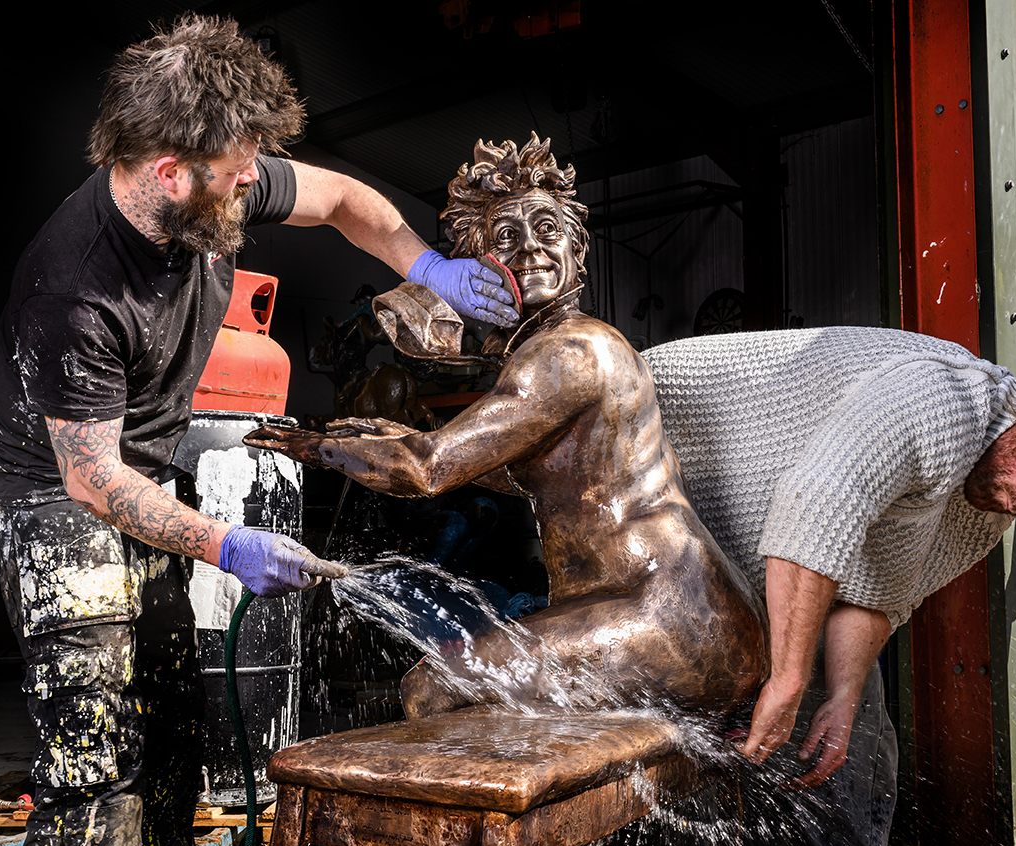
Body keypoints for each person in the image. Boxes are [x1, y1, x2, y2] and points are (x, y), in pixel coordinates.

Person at [0, 15, 519, 846]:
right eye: (236, 175)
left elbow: (342, 199)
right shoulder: (75, 289)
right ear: (170, 172)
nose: (252, 184)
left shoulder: (218, 171)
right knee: (97, 748)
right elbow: (92, 481)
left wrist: (429, 266)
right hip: (49, 489)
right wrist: (228, 545)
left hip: (135, 468)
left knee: (172, 730)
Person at [244, 134, 769, 719]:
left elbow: (428, 468)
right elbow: (541, 481)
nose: (530, 250)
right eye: (506, 239)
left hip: (664, 613)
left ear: (577, 247)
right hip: (690, 611)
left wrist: (316, 445)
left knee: (431, 689)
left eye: (547, 229)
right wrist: (391, 436)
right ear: (480, 267)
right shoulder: (571, 344)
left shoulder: (566, 352)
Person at [641, 329, 1016, 846]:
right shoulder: (938, 401)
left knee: (854, 744)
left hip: (749, 560)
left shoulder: (988, 513)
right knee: (749, 710)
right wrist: (786, 683)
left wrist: (843, 697)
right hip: (649, 438)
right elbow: (813, 511)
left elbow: (877, 596)